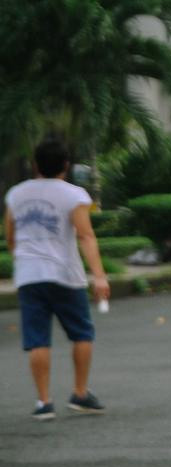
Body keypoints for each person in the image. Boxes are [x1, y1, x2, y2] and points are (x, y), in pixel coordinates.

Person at [4, 139, 110, 420]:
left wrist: (23, 260)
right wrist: (99, 276)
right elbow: (86, 235)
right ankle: (80, 392)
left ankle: (43, 402)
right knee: (82, 333)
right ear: (66, 165)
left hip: (29, 275)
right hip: (65, 274)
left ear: (35, 165)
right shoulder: (74, 195)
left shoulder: (16, 194)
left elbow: (10, 237)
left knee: (38, 339)